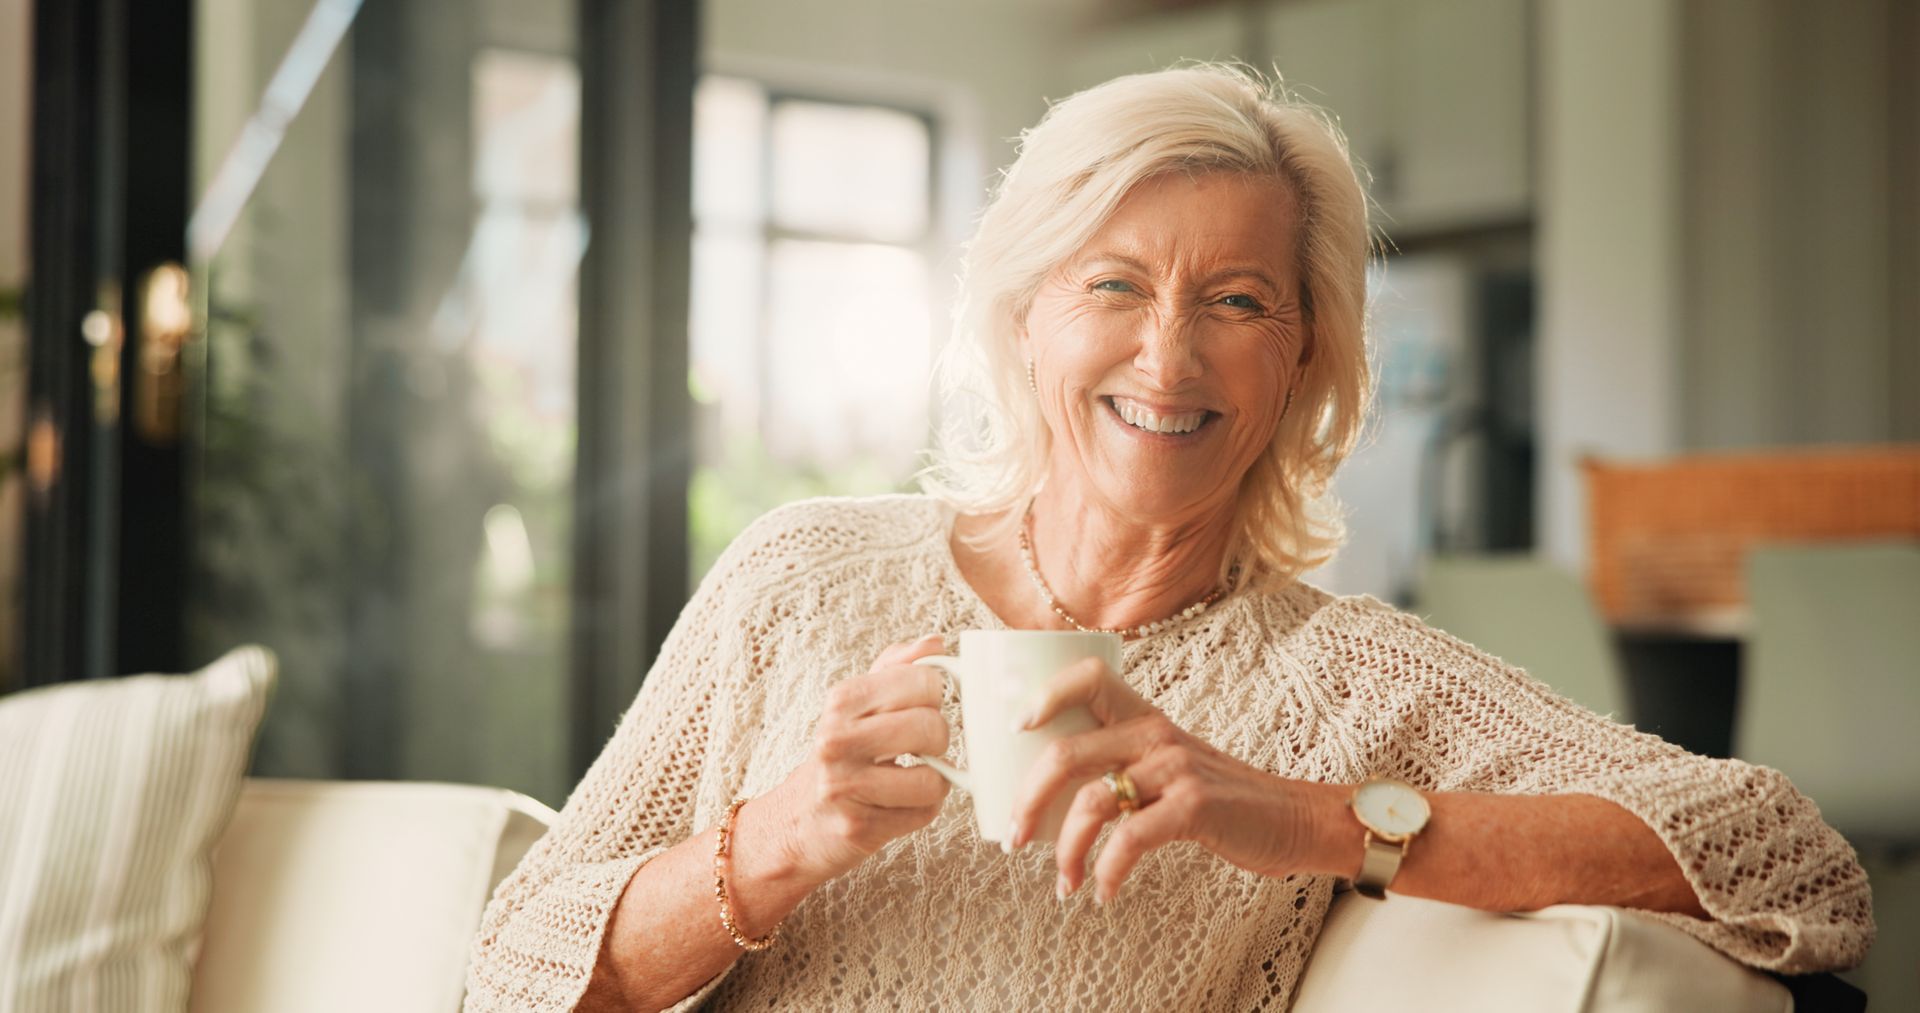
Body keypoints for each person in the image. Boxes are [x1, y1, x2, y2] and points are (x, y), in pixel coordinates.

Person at [463, 64, 1873, 1012]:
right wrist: (765, 848)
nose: (1169, 355)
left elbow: (1789, 861)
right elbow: (507, 971)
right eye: (1116, 283)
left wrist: (1299, 816)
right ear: (1028, 317)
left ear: (1303, 356)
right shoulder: (802, 571)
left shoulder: (1347, 683)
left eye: (1240, 302)